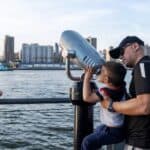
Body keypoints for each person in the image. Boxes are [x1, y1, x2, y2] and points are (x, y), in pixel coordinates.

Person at [101, 36, 150, 149]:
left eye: (122, 51)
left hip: (141, 142)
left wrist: (111, 105)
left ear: (135, 46)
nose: (121, 57)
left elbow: (145, 105)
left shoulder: (143, 66)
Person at [81, 61, 127, 150]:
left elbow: (86, 98)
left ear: (106, 80)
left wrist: (86, 79)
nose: (98, 72)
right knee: (97, 132)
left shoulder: (104, 92)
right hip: (118, 129)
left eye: (101, 71)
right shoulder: (121, 89)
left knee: (87, 141)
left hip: (112, 131)